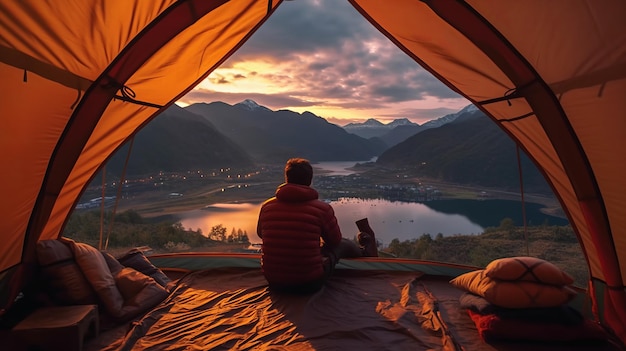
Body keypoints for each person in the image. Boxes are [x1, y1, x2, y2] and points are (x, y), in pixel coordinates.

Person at [256, 158, 377, 294]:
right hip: (309, 283)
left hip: (274, 281)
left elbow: (261, 234)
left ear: (287, 178)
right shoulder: (322, 209)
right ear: (310, 180)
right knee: (343, 244)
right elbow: (334, 241)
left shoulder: (267, 206)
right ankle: (367, 253)